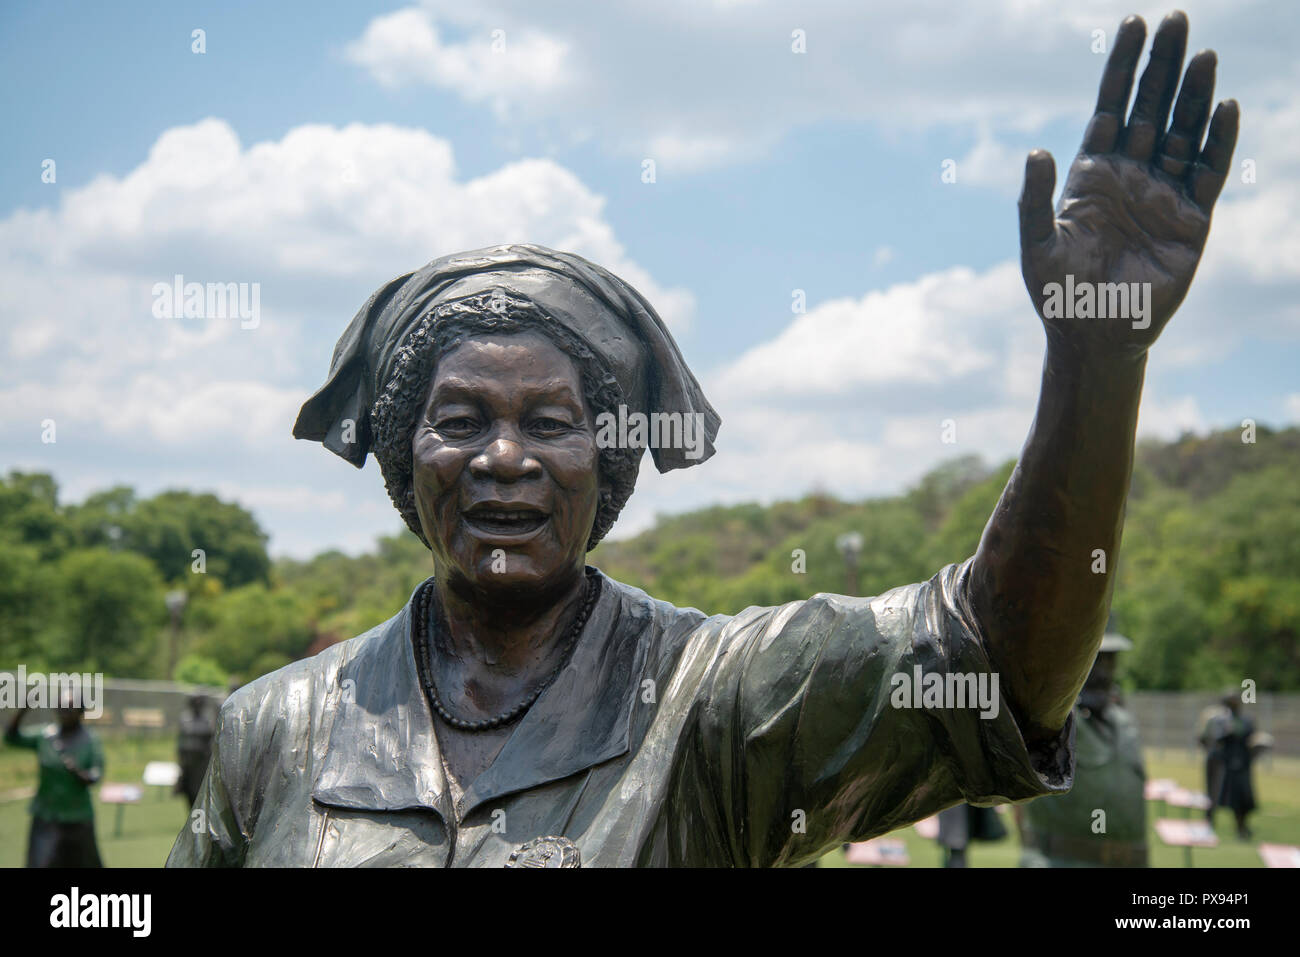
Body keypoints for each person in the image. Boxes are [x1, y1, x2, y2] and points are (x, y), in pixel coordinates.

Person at [167, 12, 1238, 867]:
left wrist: (1096, 364)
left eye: (551, 422)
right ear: (407, 454)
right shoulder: (276, 728)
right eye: (460, 421)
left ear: (611, 460)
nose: (504, 459)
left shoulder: (715, 701)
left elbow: (993, 664)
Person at [1017, 631, 1148, 866]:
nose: (1102, 673)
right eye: (1092, 658)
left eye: (1110, 660)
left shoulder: (1125, 725)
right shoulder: (1050, 723)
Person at [5, 696, 105, 867]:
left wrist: (79, 773)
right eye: (60, 708)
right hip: (47, 816)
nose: (63, 712)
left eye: (68, 709)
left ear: (80, 712)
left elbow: (95, 774)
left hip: (78, 818)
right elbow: (11, 738)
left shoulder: (90, 740)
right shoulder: (46, 735)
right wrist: (23, 710)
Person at [1199, 691, 1257, 838]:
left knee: (1241, 797)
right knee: (1213, 793)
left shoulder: (1246, 720)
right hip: (1220, 762)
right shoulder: (1216, 719)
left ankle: (1241, 827)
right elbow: (1205, 738)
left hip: (1240, 764)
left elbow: (1251, 739)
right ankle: (1209, 824)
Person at [177, 693, 216, 809]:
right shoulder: (185, 718)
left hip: (202, 763)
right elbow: (181, 742)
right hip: (188, 763)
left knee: (200, 792)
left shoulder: (208, 719)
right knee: (188, 792)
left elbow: (211, 740)